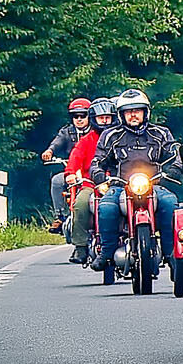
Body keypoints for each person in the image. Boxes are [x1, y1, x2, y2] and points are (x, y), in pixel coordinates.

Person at [90, 89, 181, 270]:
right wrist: (98, 175)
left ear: (145, 112)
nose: (133, 115)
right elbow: (97, 161)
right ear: (121, 114)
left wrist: (175, 169)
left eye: (137, 110)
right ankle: (106, 253)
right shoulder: (110, 135)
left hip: (153, 184)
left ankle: (171, 253)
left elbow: (175, 154)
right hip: (120, 185)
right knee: (106, 208)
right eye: (128, 111)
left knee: (171, 203)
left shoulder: (161, 133)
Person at [64, 97, 117, 264]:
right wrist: (70, 173)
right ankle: (80, 246)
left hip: (118, 183)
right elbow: (75, 157)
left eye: (108, 118)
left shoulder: (120, 137)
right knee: (80, 204)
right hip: (91, 184)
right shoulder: (86, 140)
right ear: (94, 119)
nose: (105, 121)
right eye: (101, 118)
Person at [41, 98, 93, 224]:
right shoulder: (67, 131)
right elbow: (57, 142)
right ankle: (60, 216)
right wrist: (50, 151)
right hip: (72, 171)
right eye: (75, 116)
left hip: (91, 170)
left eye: (83, 115)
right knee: (57, 180)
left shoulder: (95, 132)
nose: (79, 119)